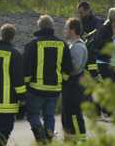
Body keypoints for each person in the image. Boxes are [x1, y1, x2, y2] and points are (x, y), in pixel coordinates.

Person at [23, 14, 73, 143]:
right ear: (52, 27)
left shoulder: (32, 44)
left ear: (39, 26)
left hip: (35, 89)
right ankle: (49, 138)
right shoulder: (62, 44)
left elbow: (26, 67)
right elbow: (68, 68)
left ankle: (40, 137)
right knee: (49, 116)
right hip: (54, 89)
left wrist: (26, 84)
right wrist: (62, 81)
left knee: (33, 114)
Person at [61, 17, 88, 143]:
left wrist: (62, 69)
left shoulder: (77, 47)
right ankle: (70, 139)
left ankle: (80, 140)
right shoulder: (72, 45)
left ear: (72, 30)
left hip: (74, 87)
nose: (64, 31)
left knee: (73, 115)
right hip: (70, 87)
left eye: (66, 28)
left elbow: (75, 68)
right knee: (67, 115)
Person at [91, 7, 115, 84]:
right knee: (110, 88)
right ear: (114, 18)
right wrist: (112, 42)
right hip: (105, 63)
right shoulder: (103, 28)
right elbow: (99, 45)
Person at [78, 1, 103, 76]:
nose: (80, 15)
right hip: (83, 55)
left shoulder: (97, 22)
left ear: (88, 10)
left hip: (94, 56)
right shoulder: (80, 22)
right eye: (79, 13)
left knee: (93, 73)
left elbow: (97, 39)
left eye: (81, 12)